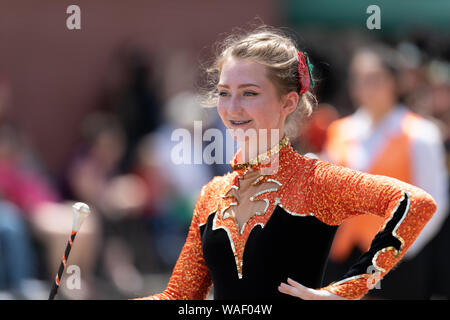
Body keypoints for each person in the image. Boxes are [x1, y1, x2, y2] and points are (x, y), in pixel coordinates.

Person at [134, 26, 437, 300]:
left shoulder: (314, 180)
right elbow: (179, 297)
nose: (232, 107)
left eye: (249, 93)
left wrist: (347, 290)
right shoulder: (212, 194)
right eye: (224, 93)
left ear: (288, 103)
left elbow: (416, 203)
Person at [321, 44, 448, 299]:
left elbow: (434, 203)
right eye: (359, 79)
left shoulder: (420, 134)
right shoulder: (340, 131)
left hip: (398, 260)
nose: (366, 87)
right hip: (342, 256)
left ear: (395, 83)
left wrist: (397, 249)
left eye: (374, 79)